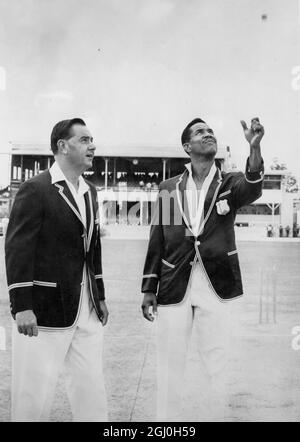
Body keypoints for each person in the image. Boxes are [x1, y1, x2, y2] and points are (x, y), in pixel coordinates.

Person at [141, 117, 264, 421]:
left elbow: (252, 185)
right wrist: (148, 287)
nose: (208, 134)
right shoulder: (170, 188)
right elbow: (161, 236)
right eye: (200, 132)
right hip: (173, 283)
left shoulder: (229, 182)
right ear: (187, 146)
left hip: (216, 283)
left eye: (210, 132)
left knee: (217, 365)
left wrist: (254, 147)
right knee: (170, 364)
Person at [5, 118, 109, 422]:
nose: (93, 145)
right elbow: (17, 248)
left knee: (92, 392)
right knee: (33, 397)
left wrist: (99, 295)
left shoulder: (90, 191)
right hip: (43, 311)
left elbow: (93, 249)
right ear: (62, 146)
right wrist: (22, 307)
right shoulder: (35, 189)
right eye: (84, 139)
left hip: (86, 312)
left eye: (92, 140)